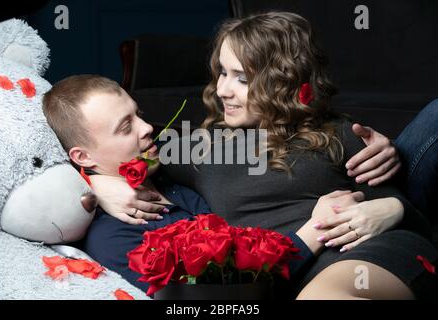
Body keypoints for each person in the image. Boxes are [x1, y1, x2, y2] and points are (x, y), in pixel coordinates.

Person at [90, 12, 437, 299]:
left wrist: (394, 208)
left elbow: (401, 207)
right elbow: (106, 148)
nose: (222, 89)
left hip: (367, 257)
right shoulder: (202, 147)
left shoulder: (339, 133)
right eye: (222, 73)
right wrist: (96, 183)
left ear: (281, 82)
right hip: (287, 277)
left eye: (241, 78)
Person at [42, 74, 355, 294]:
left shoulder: (173, 174)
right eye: (125, 127)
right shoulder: (114, 237)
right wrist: (316, 231)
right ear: (82, 156)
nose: (147, 128)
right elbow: (223, 303)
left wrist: (359, 142)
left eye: (138, 114)